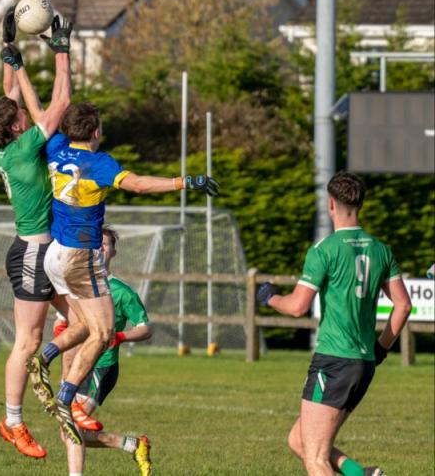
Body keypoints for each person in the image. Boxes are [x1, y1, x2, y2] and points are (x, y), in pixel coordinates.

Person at [29, 101, 219, 444]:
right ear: (96, 131)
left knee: (83, 325)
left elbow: (42, 112)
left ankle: (43, 359)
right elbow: (140, 184)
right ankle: (65, 398)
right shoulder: (98, 163)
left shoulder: (56, 145)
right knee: (101, 334)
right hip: (80, 255)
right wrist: (185, 181)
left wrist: (20, 67)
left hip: (53, 254)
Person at [256, 171, 412, 476]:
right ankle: (362, 474)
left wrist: (269, 298)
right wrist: (380, 349)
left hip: (333, 362)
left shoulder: (324, 250)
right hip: (363, 363)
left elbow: (298, 307)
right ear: (361, 205)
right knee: (299, 441)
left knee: (315, 458)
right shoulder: (381, 250)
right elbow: (403, 306)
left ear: (330, 205)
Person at [0, 9, 82, 459]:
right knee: (27, 341)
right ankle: (13, 420)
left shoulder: (9, 143)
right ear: (19, 128)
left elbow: (8, 95)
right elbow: (60, 104)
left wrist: (10, 55)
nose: (26, 111)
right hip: (31, 254)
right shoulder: (24, 149)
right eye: (23, 114)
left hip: (45, 252)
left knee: (86, 323)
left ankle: (73, 398)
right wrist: (61, 53)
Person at [54, 225, 153, 475]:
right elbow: (61, 322)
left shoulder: (122, 292)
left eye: (105, 244)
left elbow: (145, 328)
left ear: (113, 252)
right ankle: (132, 444)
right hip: (74, 365)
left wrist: (120, 336)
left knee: (73, 424)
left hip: (102, 365)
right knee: (67, 431)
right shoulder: (75, 287)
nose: (98, 247)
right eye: (95, 243)